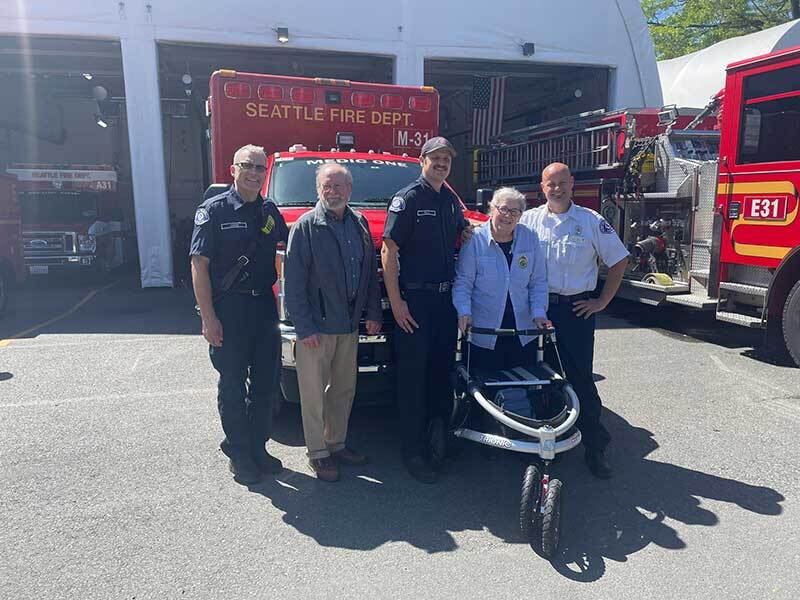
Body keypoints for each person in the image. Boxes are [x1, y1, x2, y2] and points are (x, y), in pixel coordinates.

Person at [521, 162, 628, 479]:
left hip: (575, 311)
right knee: (540, 377)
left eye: (562, 182)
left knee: (580, 378)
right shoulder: (529, 221)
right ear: (542, 187)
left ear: (572, 184)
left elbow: (620, 260)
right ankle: (544, 441)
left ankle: (594, 446)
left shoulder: (590, 221)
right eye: (550, 183)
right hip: (538, 310)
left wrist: (601, 301)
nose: (556, 188)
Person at [190, 144, 289, 485]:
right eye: (247, 166)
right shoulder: (213, 210)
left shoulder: (270, 211)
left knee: (265, 382)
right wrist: (208, 317)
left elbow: (291, 246)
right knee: (232, 383)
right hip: (228, 308)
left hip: (263, 307)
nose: (254, 172)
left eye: (260, 168)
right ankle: (239, 451)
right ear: (233, 170)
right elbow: (199, 266)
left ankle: (258, 447)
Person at [284, 163, 381, 482]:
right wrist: (304, 327)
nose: (333, 191)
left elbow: (369, 275)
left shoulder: (360, 224)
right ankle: (318, 453)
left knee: (343, 389)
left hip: (349, 325)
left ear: (350, 190)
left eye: (339, 186)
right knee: (312, 394)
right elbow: (294, 282)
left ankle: (336, 443)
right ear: (318, 189)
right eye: (327, 186)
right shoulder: (305, 226)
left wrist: (373, 313)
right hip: (316, 329)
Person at [382, 136, 470, 484]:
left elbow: (464, 234)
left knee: (440, 375)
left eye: (447, 159)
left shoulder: (450, 200)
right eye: (436, 158)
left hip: (444, 304)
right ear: (422, 161)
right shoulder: (408, 199)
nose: (442, 164)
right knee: (413, 379)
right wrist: (397, 301)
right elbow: (389, 251)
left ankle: (438, 441)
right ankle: (412, 450)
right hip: (415, 303)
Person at [452, 187, 549, 374]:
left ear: (521, 215)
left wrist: (539, 313)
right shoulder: (474, 239)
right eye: (503, 209)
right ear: (492, 209)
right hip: (484, 332)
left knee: (523, 388)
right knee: (485, 387)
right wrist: (464, 311)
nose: (508, 216)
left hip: (523, 331)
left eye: (514, 211)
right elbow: (463, 282)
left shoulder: (530, 238)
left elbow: (538, 281)